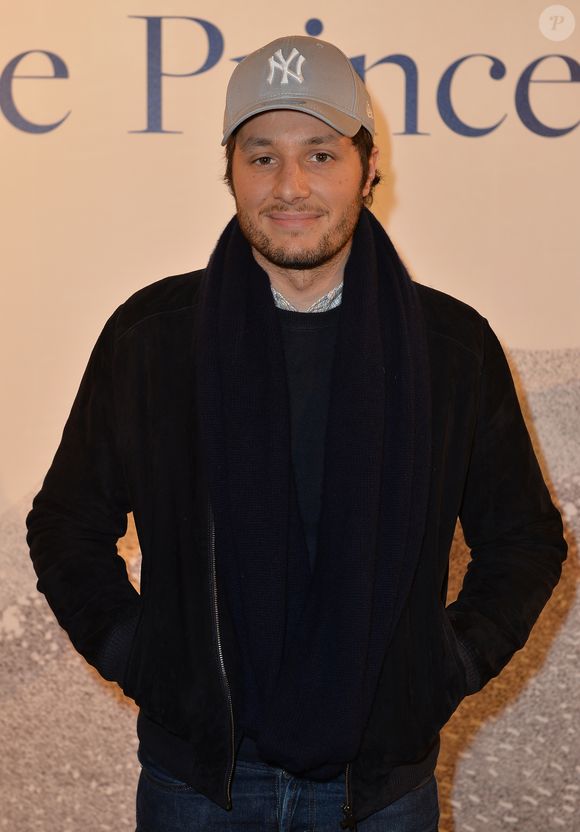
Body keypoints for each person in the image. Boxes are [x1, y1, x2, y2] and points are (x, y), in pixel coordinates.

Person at [26, 34, 567, 832]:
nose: (290, 186)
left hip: (380, 789)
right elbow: (67, 525)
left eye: (320, 154)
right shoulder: (152, 339)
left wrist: (442, 665)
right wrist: (143, 657)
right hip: (198, 784)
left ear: (368, 168)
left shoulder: (450, 348)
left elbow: (524, 540)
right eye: (262, 157)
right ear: (230, 171)